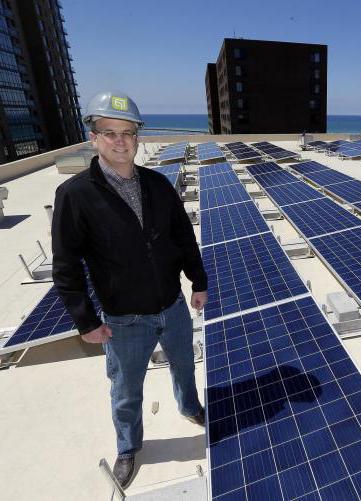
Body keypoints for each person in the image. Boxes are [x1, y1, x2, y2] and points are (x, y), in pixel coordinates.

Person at [51, 91, 208, 489]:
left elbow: (182, 236)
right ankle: (128, 447)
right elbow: (66, 266)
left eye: (128, 133)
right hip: (123, 319)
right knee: (125, 390)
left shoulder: (157, 184)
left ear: (138, 137)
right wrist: (85, 320)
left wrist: (198, 281)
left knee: (185, 365)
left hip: (171, 306)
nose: (121, 141)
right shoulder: (75, 195)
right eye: (110, 133)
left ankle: (190, 407)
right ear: (93, 137)